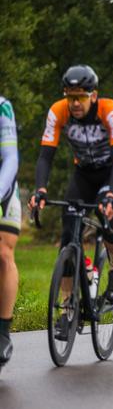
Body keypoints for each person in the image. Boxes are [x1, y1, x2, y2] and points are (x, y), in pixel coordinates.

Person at [29, 65, 113, 312]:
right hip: (84, 173)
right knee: (68, 236)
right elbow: (45, 157)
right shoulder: (57, 111)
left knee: (103, 210)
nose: (74, 103)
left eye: (80, 97)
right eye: (70, 97)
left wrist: (112, 195)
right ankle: (67, 306)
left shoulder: (111, 111)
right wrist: (40, 189)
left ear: (93, 95)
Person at [0, 96, 20, 373]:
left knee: (3, 254)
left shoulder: (2, 106)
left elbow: (10, 157)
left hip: (3, 184)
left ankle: (2, 330)